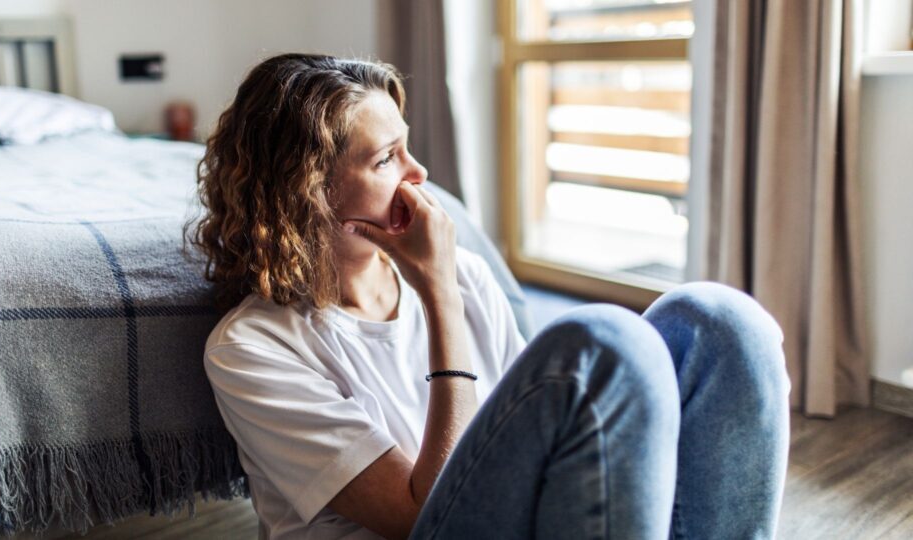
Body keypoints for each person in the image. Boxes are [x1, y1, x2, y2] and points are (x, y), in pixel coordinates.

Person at [186, 53, 791, 540]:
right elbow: (416, 515)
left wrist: (447, 282)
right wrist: (439, 296)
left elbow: (534, 428)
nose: (418, 174)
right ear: (308, 194)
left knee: (718, 320)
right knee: (605, 342)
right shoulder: (251, 347)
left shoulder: (467, 271)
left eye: (408, 146)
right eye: (386, 159)